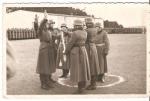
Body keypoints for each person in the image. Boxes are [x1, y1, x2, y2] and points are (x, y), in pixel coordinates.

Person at [65, 19, 91, 94]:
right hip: (83, 50)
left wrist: (66, 51)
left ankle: (80, 88)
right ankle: (83, 85)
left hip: (76, 52)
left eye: (74, 25)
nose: (73, 26)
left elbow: (70, 43)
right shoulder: (85, 32)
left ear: (76, 26)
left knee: (78, 70)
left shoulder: (75, 33)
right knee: (83, 68)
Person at [36, 19, 56, 90]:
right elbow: (40, 27)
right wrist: (45, 19)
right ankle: (43, 84)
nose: (48, 24)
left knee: (47, 66)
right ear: (44, 24)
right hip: (44, 49)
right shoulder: (41, 30)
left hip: (49, 49)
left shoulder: (48, 30)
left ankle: (47, 82)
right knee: (43, 67)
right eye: (46, 23)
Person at [85, 18, 100, 90]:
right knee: (94, 65)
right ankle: (93, 83)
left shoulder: (87, 30)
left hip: (88, 48)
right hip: (93, 47)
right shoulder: (95, 29)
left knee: (90, 66)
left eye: (86, 23)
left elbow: (83, 37)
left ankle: (93, 84)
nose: (85, 24)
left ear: (88, 23)